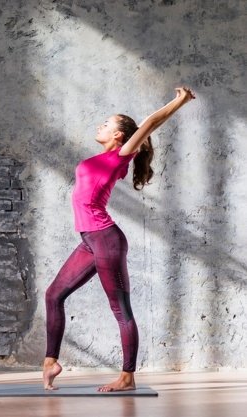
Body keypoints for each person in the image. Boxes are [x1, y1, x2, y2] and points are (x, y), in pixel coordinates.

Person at [42, 87, 196, 392]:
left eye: (107, 123)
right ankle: (50, 362)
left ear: (119, 136)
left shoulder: (121, 155)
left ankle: (127, 377)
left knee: (120, 309)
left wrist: (179, 101)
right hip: (90, 239)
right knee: (53, 295)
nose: (101, 125)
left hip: (106, 239)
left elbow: (150, 124)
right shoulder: (101, 158)